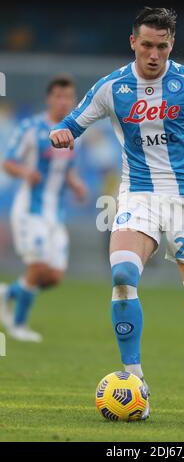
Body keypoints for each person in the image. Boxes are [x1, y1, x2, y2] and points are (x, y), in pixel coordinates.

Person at [49, 7, 184, 420]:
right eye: (146, 45)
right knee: (123, 275)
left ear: (171, 45)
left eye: (162, 46)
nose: (154, 54)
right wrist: (64, 133)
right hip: (137, 197)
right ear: (133, 43)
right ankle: (135, 380)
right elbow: (75, 121)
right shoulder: (112, 88)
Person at [0, 76, 86, 342]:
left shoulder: (73, 133)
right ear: (49, 99)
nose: (63, 102)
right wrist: (26, 172)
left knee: (54, 276)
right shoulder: (31, 127)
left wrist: (75, 184)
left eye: (68, 97)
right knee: (37, 268)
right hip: (30, 210)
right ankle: (18, 325)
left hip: (55, 214)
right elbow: (8, 163)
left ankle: (7, 294)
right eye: (58, 96)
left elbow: (66, 168)